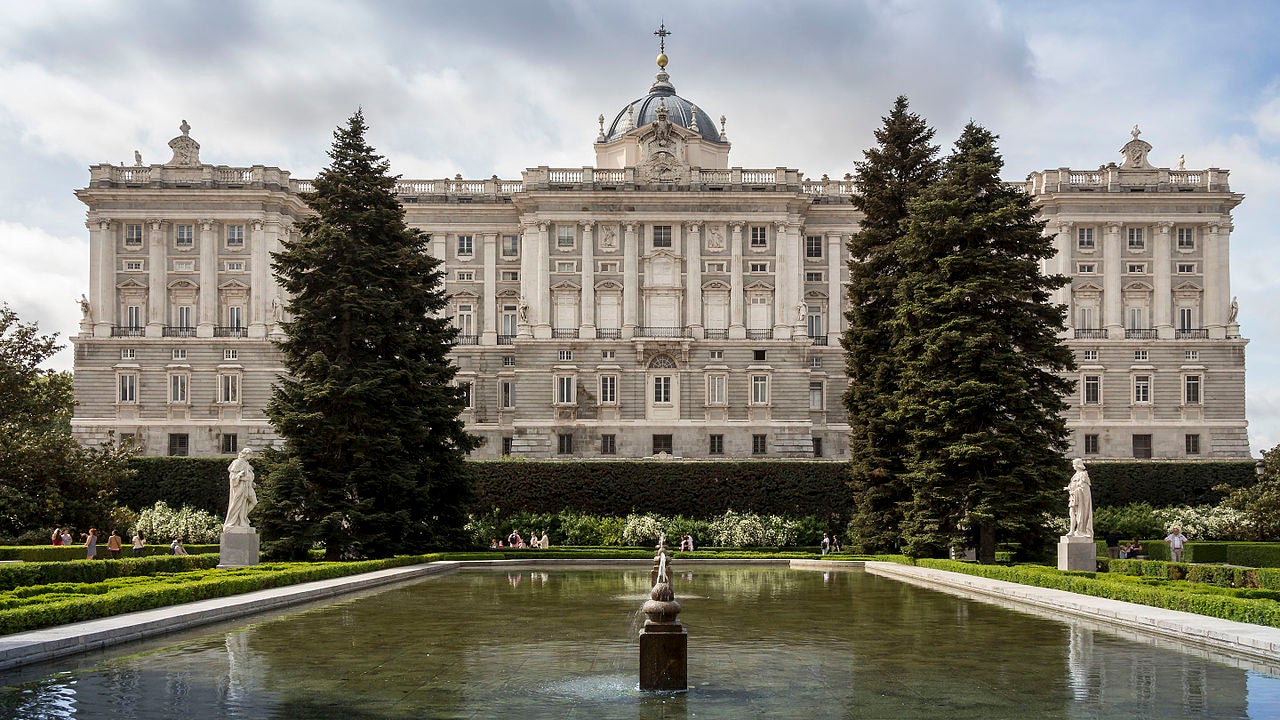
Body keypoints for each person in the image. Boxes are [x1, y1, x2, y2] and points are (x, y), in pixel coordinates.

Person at [225, 447, 257, 528]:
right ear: (246, 454)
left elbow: (248, 475)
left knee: (249, 502)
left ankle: (243, 518)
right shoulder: (237, 462)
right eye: (250, 454)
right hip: (239, 487)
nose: (251, 456)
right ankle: (240, 520)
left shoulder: (246, 463)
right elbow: (232, 476)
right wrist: (242, 478)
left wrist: (251, 482)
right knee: (239, 504)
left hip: (246, 486)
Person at [1067, 458, 1094, 538]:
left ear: (1078, 465)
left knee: (1080, 514)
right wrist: (1069, 489)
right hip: (1073, 497)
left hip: (1080, 498)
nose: (1073, 466)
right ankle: (1072, 530)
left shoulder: (1083, 474)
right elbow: (1072, 485)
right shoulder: (1075, 475)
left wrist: (1074, 490)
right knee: (1071, 513)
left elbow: (1083, 488)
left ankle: (1080, 530)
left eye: (1074, 464)